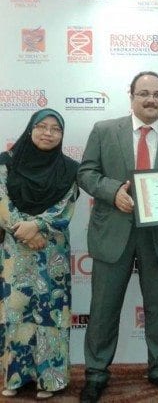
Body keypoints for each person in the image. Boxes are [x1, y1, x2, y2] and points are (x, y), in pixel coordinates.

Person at [77, 71, 158, 403]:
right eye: (144, 93)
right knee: (103, 308)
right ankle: (96, 373)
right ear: (130, 96)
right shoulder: (104, 131)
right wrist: (113, 191)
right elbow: (86, 172)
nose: (150, 99)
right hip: (112, 232)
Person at [0, 109, 79, 400]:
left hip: (52, 252)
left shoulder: (69, 168)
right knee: (15, 312)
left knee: (50, 314)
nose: (48, 133)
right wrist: (23, 230)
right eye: (41, 126)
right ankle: (15, 377)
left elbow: (65, 207)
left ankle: (51, 379)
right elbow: (1, 201)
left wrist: (38, 227)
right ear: (30, 129)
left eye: (55, 129)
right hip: (14, 251)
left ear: (61, 135)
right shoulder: (5, 162)